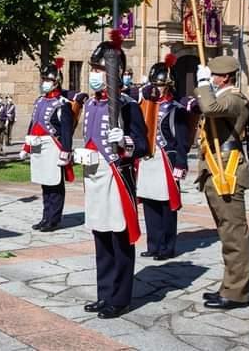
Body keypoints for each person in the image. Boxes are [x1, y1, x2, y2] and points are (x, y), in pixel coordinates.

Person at [76, 51, 148, 319]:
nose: (94, 75)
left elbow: (143, 145)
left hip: (116, 176)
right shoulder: (91, 104)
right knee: (101, 237)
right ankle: (104, 293)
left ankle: (120, 298)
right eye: (93, 69)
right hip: (94, 175)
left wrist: (126, 141)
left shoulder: (128, 106)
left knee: (119, 238)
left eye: (99, 69)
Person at [194, 56, 249, 309]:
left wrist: (202, 84)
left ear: (225, 77)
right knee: (226, 232)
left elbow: (210, 109)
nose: (211, 78)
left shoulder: (234, 99)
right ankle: (228, 286)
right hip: (216, 170)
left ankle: (236, 292)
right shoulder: (221, 96)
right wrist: (205, 86)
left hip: (227, 173)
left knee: (234, 235)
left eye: (213, 75)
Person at [137, 58, 191, 260]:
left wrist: (181, 163)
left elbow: (182, 141)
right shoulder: (145, 105)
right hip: (148, 159)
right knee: (150, 203)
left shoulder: (176, 109)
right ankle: (153, 244)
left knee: (166, 205)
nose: (156, 89)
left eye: (159, 85)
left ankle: (167, 247)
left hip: (166, 160)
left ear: (169, 85)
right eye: (154, 85)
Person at [20, 62, 74, 233]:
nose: (44, 82)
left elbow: (66, 130)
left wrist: (66, 151)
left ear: (56, 82)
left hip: (53, 147)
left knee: (55, 184)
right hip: (39, 146)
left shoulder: (62, 104)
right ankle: (46, 217)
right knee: (45, 183)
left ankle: (54, 219)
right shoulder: (39, 101)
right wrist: (26, 146)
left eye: (48, 80)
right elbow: (33, 124)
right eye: (43, 79)